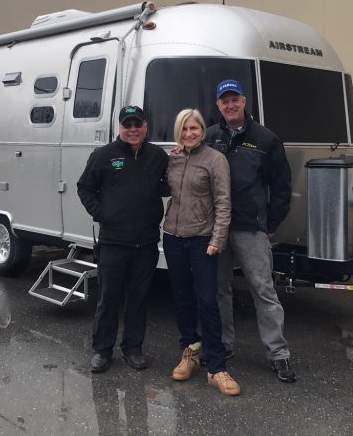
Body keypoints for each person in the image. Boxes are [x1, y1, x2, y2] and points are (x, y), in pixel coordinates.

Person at [206, 79, 296, 383]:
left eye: (235, 100)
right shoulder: (210, 137)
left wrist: (271, 224)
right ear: (218, 105)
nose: (230, 105)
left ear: (244, 102)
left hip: (250, 227)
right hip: (217, 228)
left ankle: (278, 354)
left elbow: (281, 186)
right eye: (225, 101)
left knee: (263, 290)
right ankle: (223, 345)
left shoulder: (266, 139)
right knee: (219, 289)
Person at [77, 106, 169, 374]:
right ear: (119, 127)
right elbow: (85, 188)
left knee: (138, 299)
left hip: (146, 243)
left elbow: (167, 185)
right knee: (109, 298)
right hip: (113, 243)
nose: (133, 129)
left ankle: (133, 348)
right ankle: (102, 350)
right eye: (127, 125)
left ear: (146, 126)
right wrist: (102, 213)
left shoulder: (157, 156)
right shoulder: (103, 155)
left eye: (137, 124)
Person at [163, 108, 240, 396]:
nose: (189, 133)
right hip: (173, 237)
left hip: (203, 240)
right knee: (183, 299)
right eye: (184, 129)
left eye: (194, 128)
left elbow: (223, 202)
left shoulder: (215, 159)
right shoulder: (173, 158)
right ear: (178, 132)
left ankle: (217, 368)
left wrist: (217, 239)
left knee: (207, 301)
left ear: (202, 130)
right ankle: (190, 353)